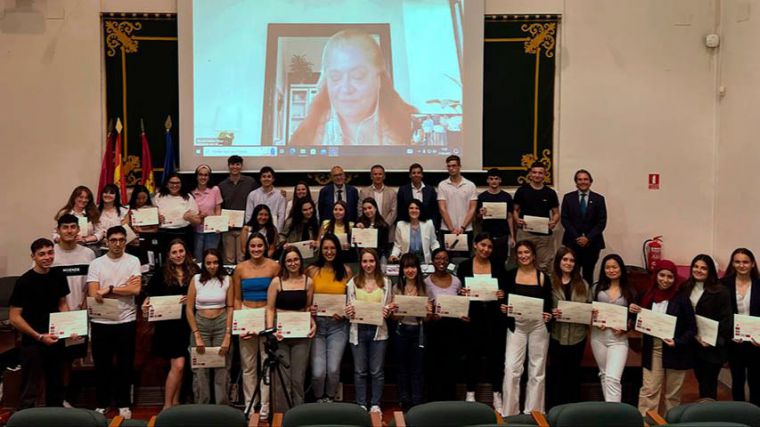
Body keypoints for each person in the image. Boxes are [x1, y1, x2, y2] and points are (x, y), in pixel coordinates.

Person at [288, 29, 417, 146]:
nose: (346, 89)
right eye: (335, 77)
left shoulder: (414, 128)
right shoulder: (304, 138)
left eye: (358, 76)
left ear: (379, 79)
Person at [86, 226, 142, 419]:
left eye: (121, 240)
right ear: (106, 242)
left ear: (125, 241)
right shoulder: (96, 263)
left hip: (126, 319)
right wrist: (122, 288)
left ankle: (124, 403)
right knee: (102, 365)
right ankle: (102, 403)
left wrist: (108, 289)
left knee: (125, 364)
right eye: (113, 240)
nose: (117, 244)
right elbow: (94, 293)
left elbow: (135, 290)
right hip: (101, 321)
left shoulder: (133, 261)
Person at [629, 260, 696, 415]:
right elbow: (635, 322)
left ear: (675, 279)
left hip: (676, 351)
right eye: (662, 275)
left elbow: (691, 329)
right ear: (656, 275)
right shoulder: (645, 295)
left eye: (670, 277)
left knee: (672, 395)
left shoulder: (682, 299)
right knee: (649, 390)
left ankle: (670, 422)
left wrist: (677, 342)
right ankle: (646, 422)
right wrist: (632, 311)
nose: (665, 280)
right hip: (653, 349)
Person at [10, 238, 70, 408]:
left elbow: (62, 303)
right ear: (33, 256)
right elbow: (15, 317)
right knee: (30, 387)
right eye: (42, 254)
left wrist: (68, 327)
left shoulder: (59, 276)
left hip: (56, 338)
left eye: (50, 253)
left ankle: (55, 418)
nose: (47, 257)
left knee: (56, 385)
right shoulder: (24, 281)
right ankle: (24, 419)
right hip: (33, 341)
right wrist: (38, 336)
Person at [143, 239, 199, 409]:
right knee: (179, 365)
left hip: (189, 324)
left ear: (186, 252)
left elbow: (205, 294)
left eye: (181, 251)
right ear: (168, 255)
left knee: (181, 367)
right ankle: (167, 407)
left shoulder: (195, 271)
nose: (178, 255)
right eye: (174, 252)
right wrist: (145, 305)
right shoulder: (161, 273)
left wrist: (191, 299)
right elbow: (150, 296)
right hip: (169, 327)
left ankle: (176, 402)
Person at [500, 240, 553, 416]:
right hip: (516, 326)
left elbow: (548, 306)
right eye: (520, 253)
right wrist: (504, 307)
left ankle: (534, 412)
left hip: (538, 326)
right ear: (516, 256)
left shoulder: (543, 277)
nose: (523, 256)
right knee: (511, 368)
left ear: (533, 255)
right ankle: (510, 412)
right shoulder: (509, 275)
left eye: (527, 252)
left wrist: (548, 315)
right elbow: (503, 300)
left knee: (537, 369)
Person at [456, 233, 507, 408]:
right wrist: (462, 293)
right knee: (472, 355)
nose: (486, 249)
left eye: (490, 247)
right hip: (473, 316)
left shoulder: (499, 266)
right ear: (475, 245)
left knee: (496, 356)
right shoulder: (463, 266)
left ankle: (496, 394)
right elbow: (459, 292)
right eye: (483, 245)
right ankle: (470, 393)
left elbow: (504, 292)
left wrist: (502, 294)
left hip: (494, 317)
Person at [233, 232, 280, 419]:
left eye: (260, 245)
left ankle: (265, 407)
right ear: (247, 248)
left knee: (266, 363)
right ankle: (249, 405)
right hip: (246, 313)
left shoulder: (274, 266)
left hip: (267, 315)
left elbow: (278, 294)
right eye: (253, 246)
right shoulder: (240, 268)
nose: (256, 249)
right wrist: (240, 323)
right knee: (248, 365)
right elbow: (237, 298)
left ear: (266, 246)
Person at [51, 214, 96, 407]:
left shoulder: (88, 254)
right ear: (58, 230)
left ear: (78, 230)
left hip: (81, 314)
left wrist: (85, 304)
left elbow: (92, 284)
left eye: (72, 227)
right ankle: (57, 399)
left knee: (75, 358)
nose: (69, 231)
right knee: (58, 361)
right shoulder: (50, 253)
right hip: (56, 316)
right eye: (65, 227)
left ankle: (69, 397)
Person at [265, 247, 315, 412]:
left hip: (301, 335)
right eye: (289, 261)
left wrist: (312, 323)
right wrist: (271, 330)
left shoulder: (308, 281)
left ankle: (298, 414)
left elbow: (308, 307)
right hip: (281, 336)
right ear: (284, 263)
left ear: (300, 261)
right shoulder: (276, 282)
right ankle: (282, 416)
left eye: (296, 260)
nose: (293, 263)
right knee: (282, 379)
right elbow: (270, 309)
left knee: (298, 378)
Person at [306, 234, 353, 403]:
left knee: (333, 369)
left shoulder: (346, 270)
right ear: (321, 250)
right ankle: (319, 400)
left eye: (332, 248)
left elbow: (351, 300)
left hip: (338, 326)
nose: (329, 251)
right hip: (316, 325)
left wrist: (345, 311)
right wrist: (308, 308)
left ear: (337, 250)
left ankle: (330, 399)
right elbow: (305, 296)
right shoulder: (312, 270)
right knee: (318, 372)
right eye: (326, 248)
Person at [345, 248, 393, 413]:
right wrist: (348, 311)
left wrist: (388, 310)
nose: (368, 265)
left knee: (377, 371)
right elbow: (348, 307)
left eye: (371, 261)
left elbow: (389, 305)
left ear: (377, 263)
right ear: (361, 263)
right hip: (358, 331)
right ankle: (361, 404)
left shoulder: (386, 282)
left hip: (379, 331)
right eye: (365, 261)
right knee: (360, 371)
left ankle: (375, 404)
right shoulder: (352, 282)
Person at [185, 249, 233, 404]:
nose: (212, 266)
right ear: (203, 264)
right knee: (200, 370)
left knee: (222, 368)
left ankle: (222, 409)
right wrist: (197, 334)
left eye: (216, 262)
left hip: (221, 323)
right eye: (209, 263)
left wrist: (227, 335)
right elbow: (189, 309)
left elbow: (231, 306)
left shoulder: (227, 279)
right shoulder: (196, 279)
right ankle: (202, 408)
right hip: (200, 324)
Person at [682, 254, 732, 399]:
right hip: (693, 342)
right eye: (696, 267)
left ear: (710, 271)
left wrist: (712, 339)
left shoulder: (721, 291)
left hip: (711, 346)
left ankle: (709, 415)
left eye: (704, 268)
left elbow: (726, 320)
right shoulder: (686, 287)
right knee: (700, 379)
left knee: (709, 383)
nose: (699, 270)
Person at [547, 246, 589, 407]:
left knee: (573, 375)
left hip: (577, 337)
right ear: (558, 261)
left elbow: (589, 307)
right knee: (556, 374)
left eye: (572, 260)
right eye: (565, 259)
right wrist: (551, 312)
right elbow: (544, 307)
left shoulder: (583, 284)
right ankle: (554, 410)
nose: (568, 263)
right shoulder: (549, 281)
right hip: (556, 335)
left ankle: (572, 411)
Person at [590, 254, 635, 403]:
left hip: (618, 339)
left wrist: (626, 328)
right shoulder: (596, 288)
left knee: (613, 378)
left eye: (614, 267)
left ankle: (615, 414)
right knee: (604, 374)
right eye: (608, 267)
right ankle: (609, 409)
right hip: (598, 337)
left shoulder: (630, 291)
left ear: (621, 268)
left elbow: (633, 319)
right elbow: (588, 312)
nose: (611, 270)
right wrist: (594, 318)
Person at [424, 248, 466, 401]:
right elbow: (426, 306)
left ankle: (450, 400)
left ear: (449, 261)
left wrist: (463, 315)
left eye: (444, 258)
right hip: (435, 328)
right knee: (434, 365)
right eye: (438, 258)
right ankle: (433, 400)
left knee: (451, 366)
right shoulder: (426, 282)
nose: (441, 261)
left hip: (453, 329)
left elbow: (461, 303)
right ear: (433, 260)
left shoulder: (456, 281)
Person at [391, 253, 431, 410]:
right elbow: (393, 318)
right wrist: (398, 310)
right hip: (401, 331)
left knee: (417, 369)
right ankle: (404, 400)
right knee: (402, 368)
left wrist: (428, 312)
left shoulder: (424, 288)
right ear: (402, 270)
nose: (410, 270)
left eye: (413, 267)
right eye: (406, 267)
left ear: (418, 269)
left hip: (419, 331)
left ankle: (417, 401)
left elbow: (428, 319)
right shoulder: (396, 288)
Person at [722, 248, 760, 406]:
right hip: (734, 342)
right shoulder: (724, 284)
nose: (741, 265)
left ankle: (756, 415)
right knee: (737, 380)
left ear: (752, 264)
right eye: (737, 261)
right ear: (732, 263)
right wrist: (729, 334)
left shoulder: (759, 284)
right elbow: (721, 314)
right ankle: (740, 413)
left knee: (756, 381)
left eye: (745, 262)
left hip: (756, 342)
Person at [561, 169, 607, 285]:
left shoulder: (599, 199)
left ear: (590, 182)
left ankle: (587, 299)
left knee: (588, 274)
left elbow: (601, 222)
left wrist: (588, 238)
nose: (583, 182)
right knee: (570, 273)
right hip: (572, 242)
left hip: (592, 244)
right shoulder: (568, 198)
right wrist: (577, 237)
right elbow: (565, 219)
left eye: (585, 179)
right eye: (579, 179)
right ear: (576, 182)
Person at [513, 162, 560, 272]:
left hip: (544, 237)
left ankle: (542, 287)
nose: (537, 175)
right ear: (530, 174)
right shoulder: (522, 191)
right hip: (525, 233)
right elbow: (515, 210)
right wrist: (516, 219)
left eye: (540, 173)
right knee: (523, 263)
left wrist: (553, 222)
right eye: (534, 172)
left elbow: (556, 213)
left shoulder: (550, 193)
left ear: (545, 175)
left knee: (544, 265)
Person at [218, 155, 258, 265]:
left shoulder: (250, 182)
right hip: (228, 228)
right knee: (228, 259)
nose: (234, 167)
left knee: (243, 258)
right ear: (228, 166)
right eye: (232, 164)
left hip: (244, 227)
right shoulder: (222, 185)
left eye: (237, 164)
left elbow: (258, 198)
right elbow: (219, 206)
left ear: (241, 166)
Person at [437, 155, 477, 254]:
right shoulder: (442, 185)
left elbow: (472, 208)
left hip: (466, 229)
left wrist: (462, 227)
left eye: (454, 166)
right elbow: (442, 208)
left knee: (465, 260)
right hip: (447, 229)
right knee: (447, 261)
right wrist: (451, 229)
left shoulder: (470, 185)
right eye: (449, 166)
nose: (451, 168)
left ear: (459, 166)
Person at [154, 173, 201, 258]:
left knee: (185, 260)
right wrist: (156, 218)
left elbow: (197, 222)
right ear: (167, 184)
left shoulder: (188, 197)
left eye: (177, 183)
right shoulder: (159, 196)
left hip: (183, 233)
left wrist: (190, 218)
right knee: (166, 260)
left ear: (181, 184)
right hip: (164, 234)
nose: (174, 185)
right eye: (171, 183)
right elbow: (152, 216)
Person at [476, 168, 515, 266]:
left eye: (496, 178)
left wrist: (512, 236)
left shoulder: (506, 197)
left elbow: (510, 217)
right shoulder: (482, 197)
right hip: (487, 235)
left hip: (502, 236)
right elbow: (477, 218)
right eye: (491, 179)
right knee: (486, 262)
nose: (494, 181)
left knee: (502, 262)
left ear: (500, 180)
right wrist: (480, 214)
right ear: (487, 180)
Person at [390, 199, 440, 265]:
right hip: (407, 260)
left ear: (420, 210)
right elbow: (398, 245)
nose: (414, 210)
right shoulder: (400, 225)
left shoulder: (428, 224)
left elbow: (434, 243)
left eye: (417, 208)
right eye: (411, 208)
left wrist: (438, 255)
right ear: (407, 210)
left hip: (424, 261)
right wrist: (394, 255)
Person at [191, 164, 223, 262]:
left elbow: (218, 209)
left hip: (212, 231)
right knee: (198, 259)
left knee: (211, 258)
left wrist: (219, 225)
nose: (203, 177)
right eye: (200, 174)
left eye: (206, 175)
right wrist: (198, 216)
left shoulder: (215, 190)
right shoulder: (191, 192)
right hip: (196, 231)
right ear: (196, 176)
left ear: (209, 177)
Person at [125, 184, 159, 270]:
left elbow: (155, 230)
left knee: (148, 267)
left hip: (148, 243)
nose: (141, 201)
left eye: (144, 198)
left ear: (148, 196)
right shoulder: (129, 210)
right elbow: (125, 227)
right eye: (138, 198)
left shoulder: (152, 209)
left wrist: (142, 230)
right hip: (133, 244)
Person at [397, 163, 439, 229]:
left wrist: (432, 225)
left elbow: (435, 211)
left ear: (422, 175)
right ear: (410, 175)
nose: (416, 175)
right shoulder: (403, 190)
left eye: (418, 173)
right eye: (414, 173)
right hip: (408, 225)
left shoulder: (430, 190)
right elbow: (400, 211)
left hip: (426, 225)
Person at [245, 166, 287, 231]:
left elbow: (281, 216)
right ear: (260, 179)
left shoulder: (280, 195)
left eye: (269, 176)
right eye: (264, 176)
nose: (266, 179)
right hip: (256, 230)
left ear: (273, 179)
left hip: (273, 229)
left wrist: (278, 232)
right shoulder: (252, 194)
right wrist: (251, 230)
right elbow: (249, 214)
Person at [359, 164, 397, 229]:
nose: (378, 176)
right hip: (368, 228)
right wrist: (367, 225)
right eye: (375, 174)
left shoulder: (392, 192)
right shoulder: (364, 192)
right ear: (371, 176)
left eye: (380, 174)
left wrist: (384, 225)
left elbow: (394, 211)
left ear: (384, 176)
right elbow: (360, 210)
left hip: (387, 229)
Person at [95, 184, 128, 249]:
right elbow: (94, 230)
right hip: (99, 246)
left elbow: (125, 232)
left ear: (116, 196)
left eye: (111, 193)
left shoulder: (123, 211)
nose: (108, 195)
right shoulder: (95, 210)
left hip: (119, 246)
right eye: (105, 192)